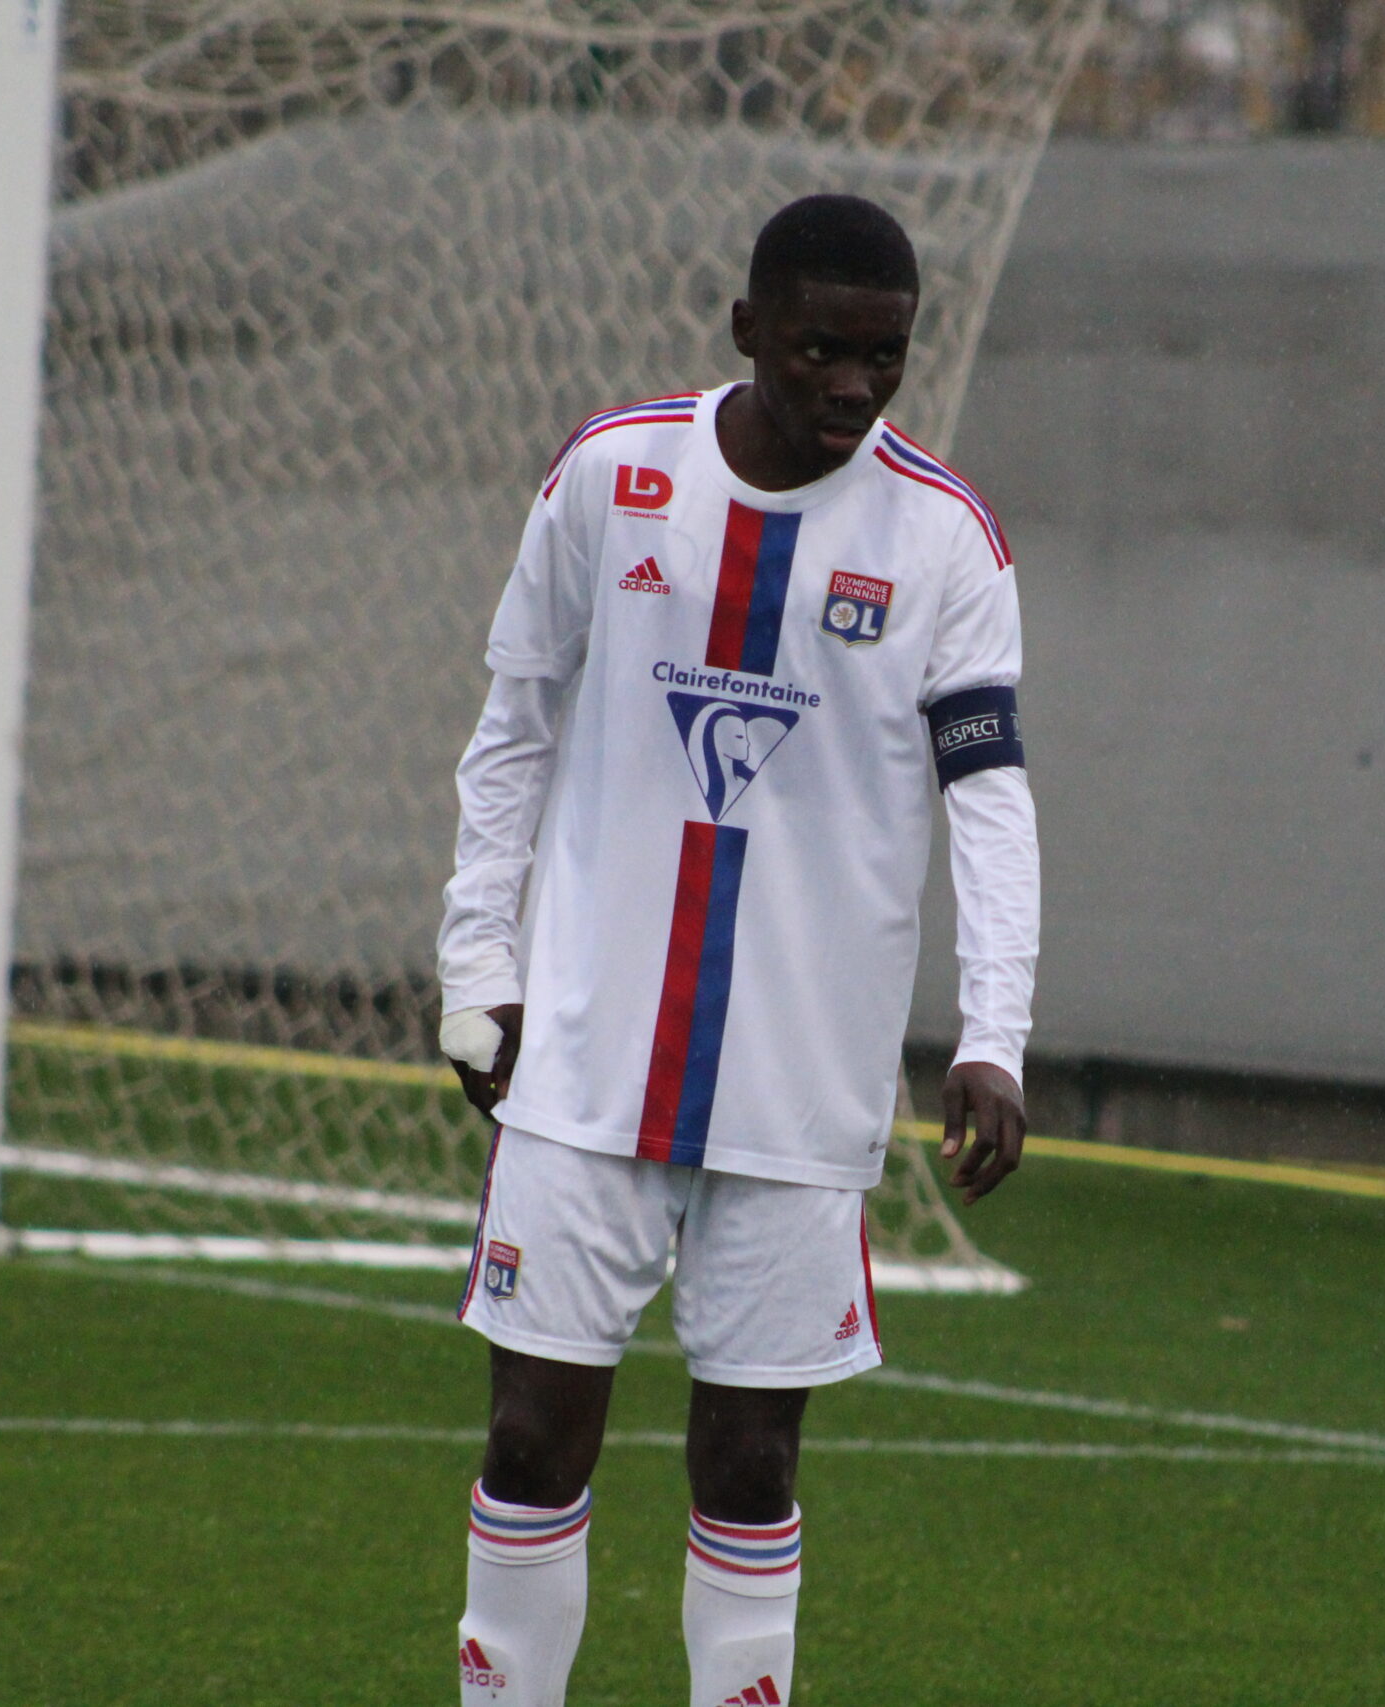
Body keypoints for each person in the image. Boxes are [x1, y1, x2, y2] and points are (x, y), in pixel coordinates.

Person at [435, 192, 1040, 1707]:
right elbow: (513, 728)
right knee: (530, 1436)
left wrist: (993, 1034)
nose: (853, 386)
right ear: (749, 331)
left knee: (754, 1459)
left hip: (799, 1085)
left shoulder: (947, 541)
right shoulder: (615, 474)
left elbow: (992, 800)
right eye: (823, 350)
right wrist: (475, 968)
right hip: (583, 1056)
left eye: (886, 357)